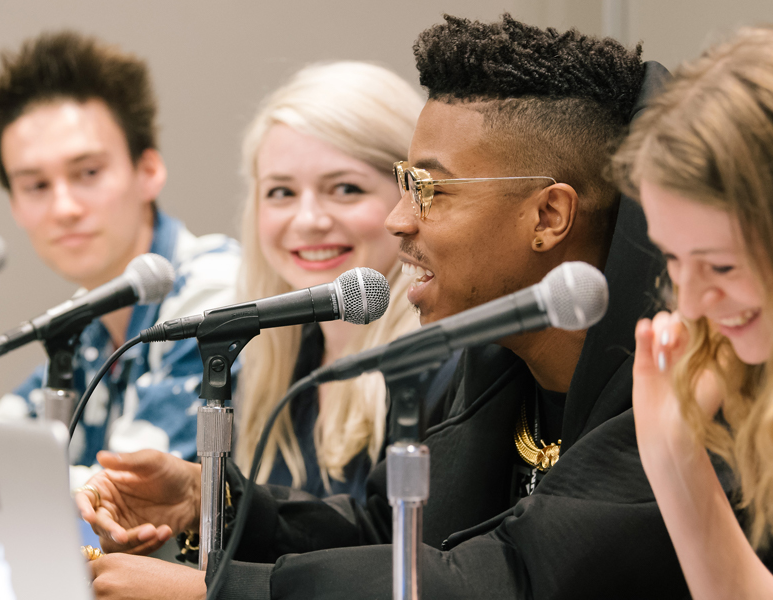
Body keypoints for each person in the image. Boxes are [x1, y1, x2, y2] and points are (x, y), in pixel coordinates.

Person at [77, 15, 691, 600]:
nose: (398, 222)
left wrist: (226, 591)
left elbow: (515, 578)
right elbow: (389, 531)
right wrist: (213, 500)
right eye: (404, 184)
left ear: (548, 216)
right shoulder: (499, 361)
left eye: (429, 190)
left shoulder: (679, 386)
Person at [0, 31, 241, 488]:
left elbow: (128, 492)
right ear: (15, 206)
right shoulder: (83, 327)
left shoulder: (217, 283)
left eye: (88, 173)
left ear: (148, 171)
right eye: (36, 186)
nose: (64, 207)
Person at [611, 27, 773, 599]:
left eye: (722, 267)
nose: (690, 303)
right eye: (673, 259)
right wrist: (671, 454)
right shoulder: (728, 373)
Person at [233, 61, 422, 502]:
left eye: (346, 189)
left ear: (411, 197)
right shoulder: (273, 361)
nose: (309, 220)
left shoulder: (436, 371)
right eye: (282, 192)